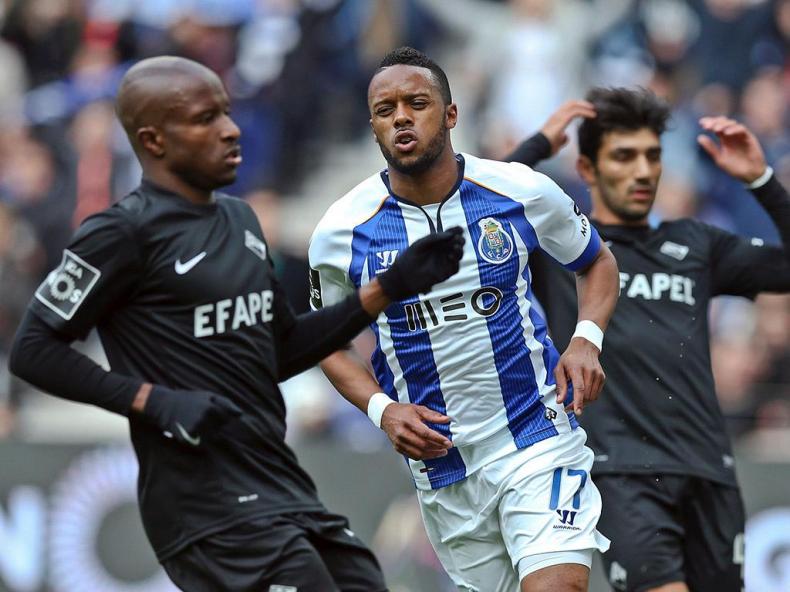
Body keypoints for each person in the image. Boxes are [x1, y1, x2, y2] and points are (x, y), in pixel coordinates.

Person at [8, 56, 466, 592]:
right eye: (205, 119)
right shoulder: (120, 234)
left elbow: (280, 351)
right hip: (204, 504)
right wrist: (152, 400)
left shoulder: (239, 221)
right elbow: (33, 349)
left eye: (226, 112)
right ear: (154, 141)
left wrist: (385, 288)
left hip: (278, 481)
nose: (230, 130)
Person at [309, 46, 620, 592]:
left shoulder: (518, 190)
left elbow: (595, 261)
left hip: (536, 435)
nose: (401, 118)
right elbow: (323, 341)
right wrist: (382, 410)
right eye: (385, 110)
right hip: (444, 468)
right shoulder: (341, 232)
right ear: (373, 127)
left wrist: (585, 340)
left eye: (417, 103)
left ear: (451, 114)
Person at [520, 87, 790, 592]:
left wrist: (762, 180)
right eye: (624, 156)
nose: (643, 171)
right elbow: (473, 219)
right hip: (622, 474)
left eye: (652, 156)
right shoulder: (561, 254)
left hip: (710, 472)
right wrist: (534, 148)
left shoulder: (695, 244)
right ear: (586, 168)